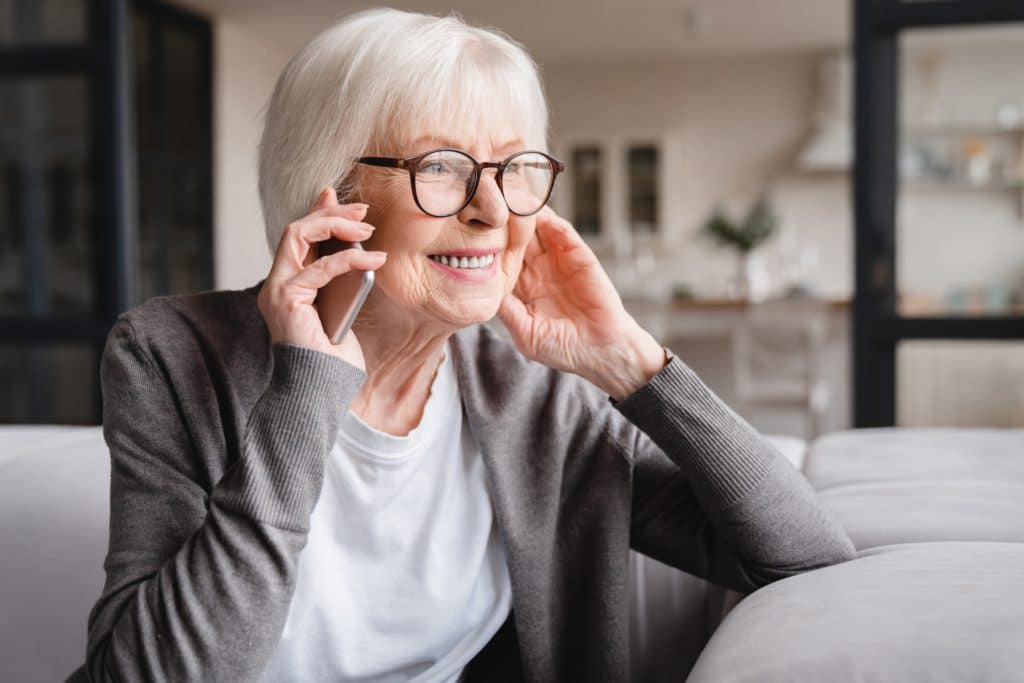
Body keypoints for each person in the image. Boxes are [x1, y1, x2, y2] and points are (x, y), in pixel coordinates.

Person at [70, 8, 855, 682]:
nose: (492, 209)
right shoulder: (170, 354)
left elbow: (803, 554)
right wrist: (303, 396)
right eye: (442, 167)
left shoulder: (534, 391)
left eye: (514, 168)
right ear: (329, 191)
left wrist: (633, 365)